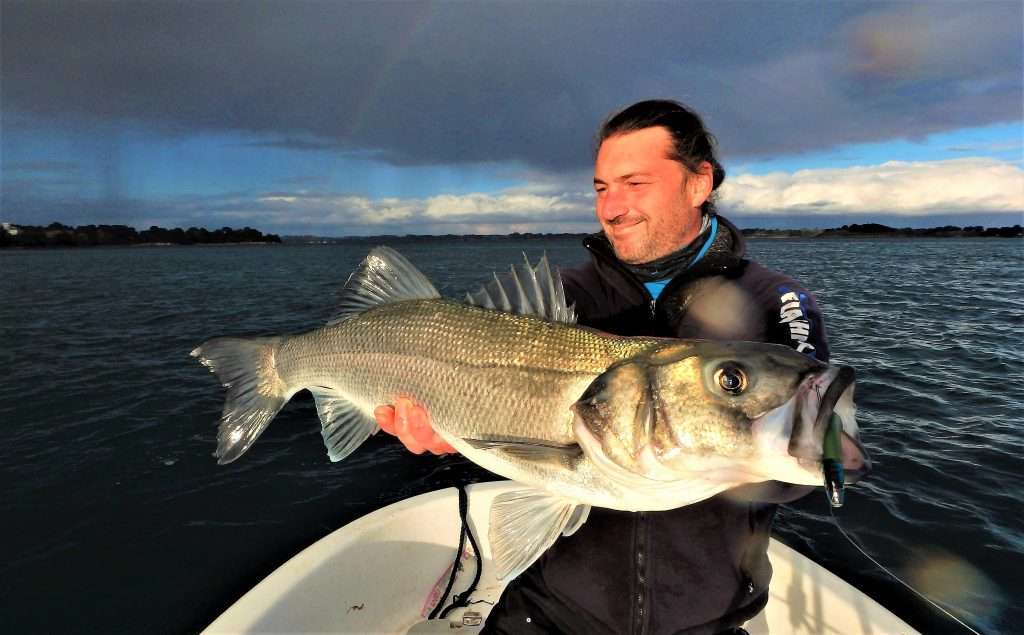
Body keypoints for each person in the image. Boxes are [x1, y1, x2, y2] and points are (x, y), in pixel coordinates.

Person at [375, 100, 829, 634]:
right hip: (547, 608)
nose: (612, 207)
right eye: (601, 188)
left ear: (698, 182)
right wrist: (441, 431)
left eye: (635, 184)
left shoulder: (776, 302)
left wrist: (738, 448)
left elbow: (810, 461)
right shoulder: (563, 299)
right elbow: (491, 427)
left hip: (703, 618)